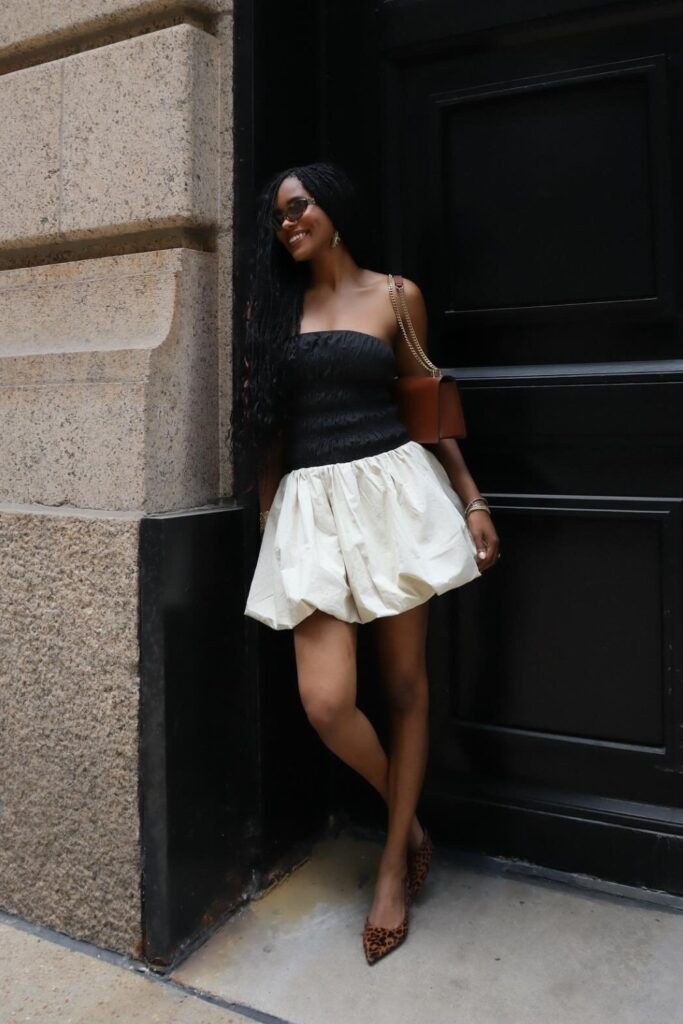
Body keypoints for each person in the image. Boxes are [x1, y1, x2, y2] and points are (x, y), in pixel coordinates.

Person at [231, 160, 499, 964]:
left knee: (406, 687)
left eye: (299, 207)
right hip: (309, 511)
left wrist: (472, 498)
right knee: (326, 702)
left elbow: (427, 404)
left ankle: (390, 871)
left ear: (333, 209)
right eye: (277, 216)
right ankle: (405, 822)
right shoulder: (274, 310)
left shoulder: (395, 296)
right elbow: (270, 432)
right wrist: (269, 519)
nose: (287, 223)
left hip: (392, 497)